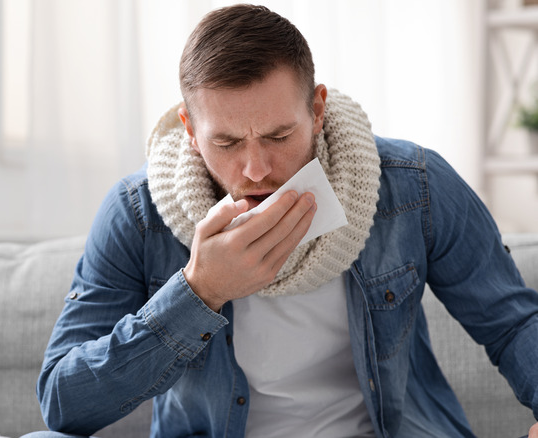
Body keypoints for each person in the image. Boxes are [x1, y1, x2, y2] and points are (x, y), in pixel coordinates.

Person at [32, 4, 538, 437]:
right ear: (189, 129)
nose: (256, 170)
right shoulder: (139, 214)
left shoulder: (413, 186)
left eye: (278, 136)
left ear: (316, 110)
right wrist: (198, 292)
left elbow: (514, 323)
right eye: (226, 142)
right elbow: (63, 403)